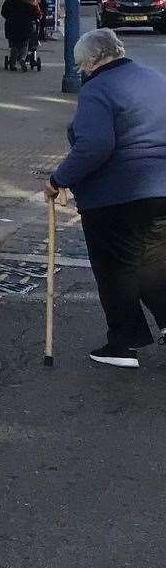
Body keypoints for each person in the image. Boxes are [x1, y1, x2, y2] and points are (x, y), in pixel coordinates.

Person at [46, 29, 166, 367]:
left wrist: (59, 180)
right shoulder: (154, 78)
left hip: (116, 195)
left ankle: (124, 343)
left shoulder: (97, 88)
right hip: (161, 190)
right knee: (155, 263)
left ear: (96, 59)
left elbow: (95, 145)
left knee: (116, 269)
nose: (83, 70)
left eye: (83, 64)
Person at [2, 0, 41, 70]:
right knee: (24, 44)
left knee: (14, 45)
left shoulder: (8, 0)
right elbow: (35, 14)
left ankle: (12, 63)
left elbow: (3, 13)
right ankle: (22, 59)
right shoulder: (27, 0)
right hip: (25, 26)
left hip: (11, 26)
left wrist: (10, 17)